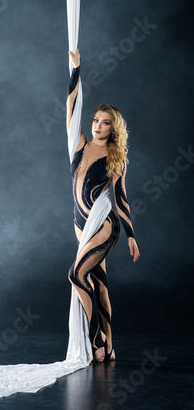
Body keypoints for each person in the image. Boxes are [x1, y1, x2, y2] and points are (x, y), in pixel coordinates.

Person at [66, 47, 140, 363]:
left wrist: (132, 235)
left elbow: (120, 198)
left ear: (114, 128)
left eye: (105, 123)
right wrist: (75, 70)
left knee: (76, 275)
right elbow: (70, 108)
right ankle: (110, 347)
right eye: (95, 120)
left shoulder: (115, 157)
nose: (97, 125)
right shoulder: (79, 146)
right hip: (81, 226)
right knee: (99, 283)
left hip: (104, 224)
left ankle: (96, 340)